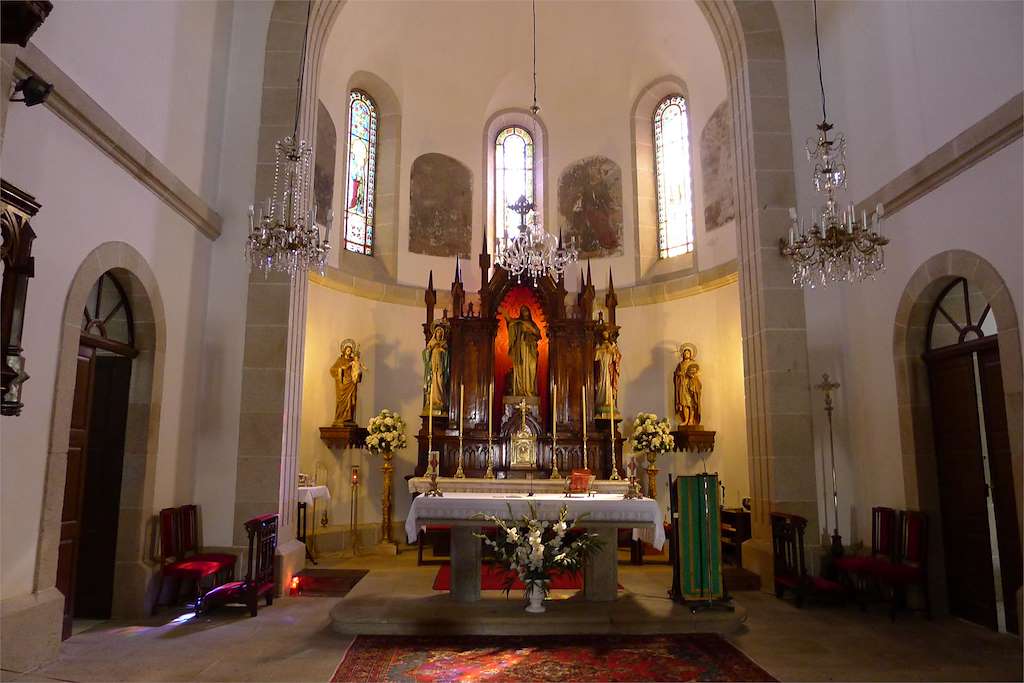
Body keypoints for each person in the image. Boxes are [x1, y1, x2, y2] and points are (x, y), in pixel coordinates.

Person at [503, 306, 542, 397]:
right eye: (523, 311)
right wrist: (506, 316)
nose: (525, 312)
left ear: (529, 312)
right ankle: (521, 390)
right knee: (520, 369)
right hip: (520, 350)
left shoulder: (532, 323)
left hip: (531, 350)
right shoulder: (518, 323)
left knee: (532, 368)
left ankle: (529, 390)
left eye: (526, 310)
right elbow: (511, 324)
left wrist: (528, 327)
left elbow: (537, 333)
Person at [331, 340, 363, 424]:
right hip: (343, 384)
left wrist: (358, 373)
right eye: (347, 350)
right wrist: (340, 369)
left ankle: (350, 418)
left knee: (352, 401)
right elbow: (332, 370)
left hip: (352, 383)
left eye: (350, 351)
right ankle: (340, 418)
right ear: (344, 351)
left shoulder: (353, 360)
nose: (349, 352)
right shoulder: (340, 360)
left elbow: (358, 369)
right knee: (342, 401)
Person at [422, 324, 449, 413]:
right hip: (432, 368)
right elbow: (425, 354)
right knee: (433, 382)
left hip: (441, 367)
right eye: (438, 332)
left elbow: (447, 357)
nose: (439, 334)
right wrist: (429, 350)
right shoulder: (431, 343)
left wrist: (443, 351)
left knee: (440, 382)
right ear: (435, 333)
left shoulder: (444, 344)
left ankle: (440, 401)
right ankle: (433, 401)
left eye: (441, 333)